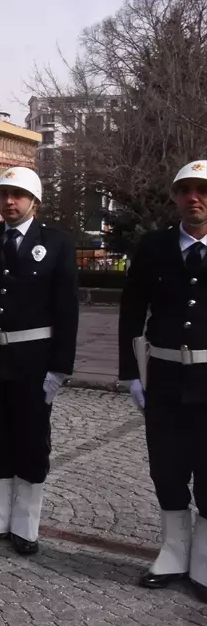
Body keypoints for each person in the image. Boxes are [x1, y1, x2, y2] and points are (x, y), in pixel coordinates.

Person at [0, 166, 79, 556]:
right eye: (4, 194)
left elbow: (66, 309)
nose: (9, 202)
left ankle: (26, 519)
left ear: (34, 202)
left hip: (33, 358)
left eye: (18, 195)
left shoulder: (56, 243)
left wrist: (60, 367)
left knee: (30, 438)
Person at [119, 159, 207, 602]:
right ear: (174, 197)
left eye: (202, 189)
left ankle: (205, 560)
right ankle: (173, 552)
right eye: (186, 190)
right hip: (166, 374)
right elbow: (132, 311)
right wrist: (131, 373)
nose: (195, 198)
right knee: (167, 467)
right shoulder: (154, 247)